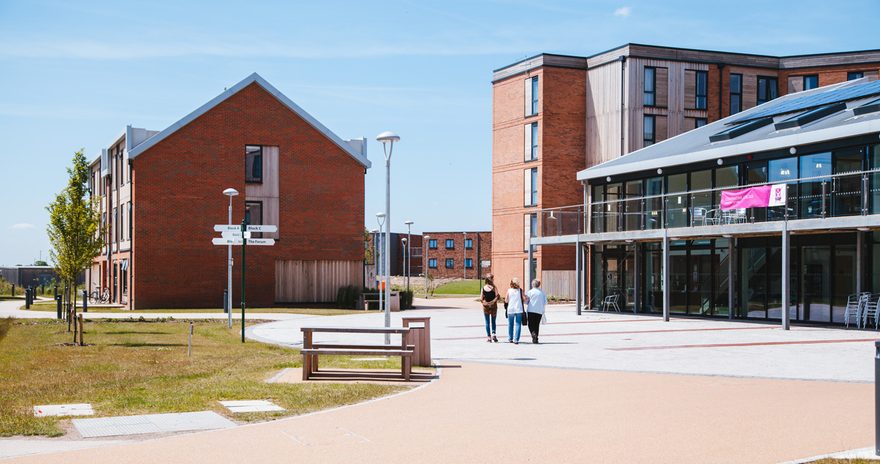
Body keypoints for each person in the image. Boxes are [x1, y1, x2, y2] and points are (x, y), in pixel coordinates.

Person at [504, 278, 527, 344]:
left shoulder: (509, 290)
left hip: (510, 309)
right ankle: (516, 339)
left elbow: (506, 300)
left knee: (510, 324)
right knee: (518, 324)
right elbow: (524, 299)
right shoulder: (520, 290)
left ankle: (510, 338)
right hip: (518, 309)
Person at [525, 279, 547, 344]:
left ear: (532, 285)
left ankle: (533, 334)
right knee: (537, 325)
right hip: (539, 311)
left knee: (530, 324)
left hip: (531, 310)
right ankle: (536, 338)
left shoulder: (530, 292)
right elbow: (545, 302)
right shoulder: (542, 293)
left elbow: (526, 301)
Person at [480, 274, 500, 342]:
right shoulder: (494, 287)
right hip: (494, 306)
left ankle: (489, 337)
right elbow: (497, 296)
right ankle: (494, 334)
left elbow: (481, 298)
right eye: (492, 278)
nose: (493, 279)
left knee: (487, 322)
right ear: (490, 279)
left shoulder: (483, 288)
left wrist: (485, 303)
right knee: (493, 321)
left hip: (486, 307)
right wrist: (492, 302)